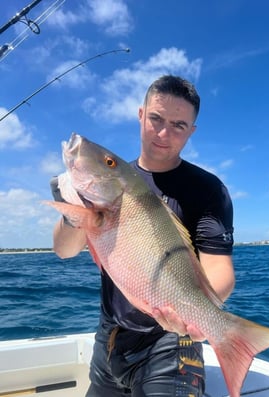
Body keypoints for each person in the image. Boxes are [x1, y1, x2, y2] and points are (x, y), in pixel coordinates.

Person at [51, 75, 235, 397]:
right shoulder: (113, 183)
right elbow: (65, 250)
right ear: (140, 115)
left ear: (192, 131)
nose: (164, 133)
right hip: (109, 338)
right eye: (156, 119)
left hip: (173, 343)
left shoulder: (208, 190)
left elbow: (219, 270)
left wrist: (194, 316)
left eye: (178, 125)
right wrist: (72, 211)